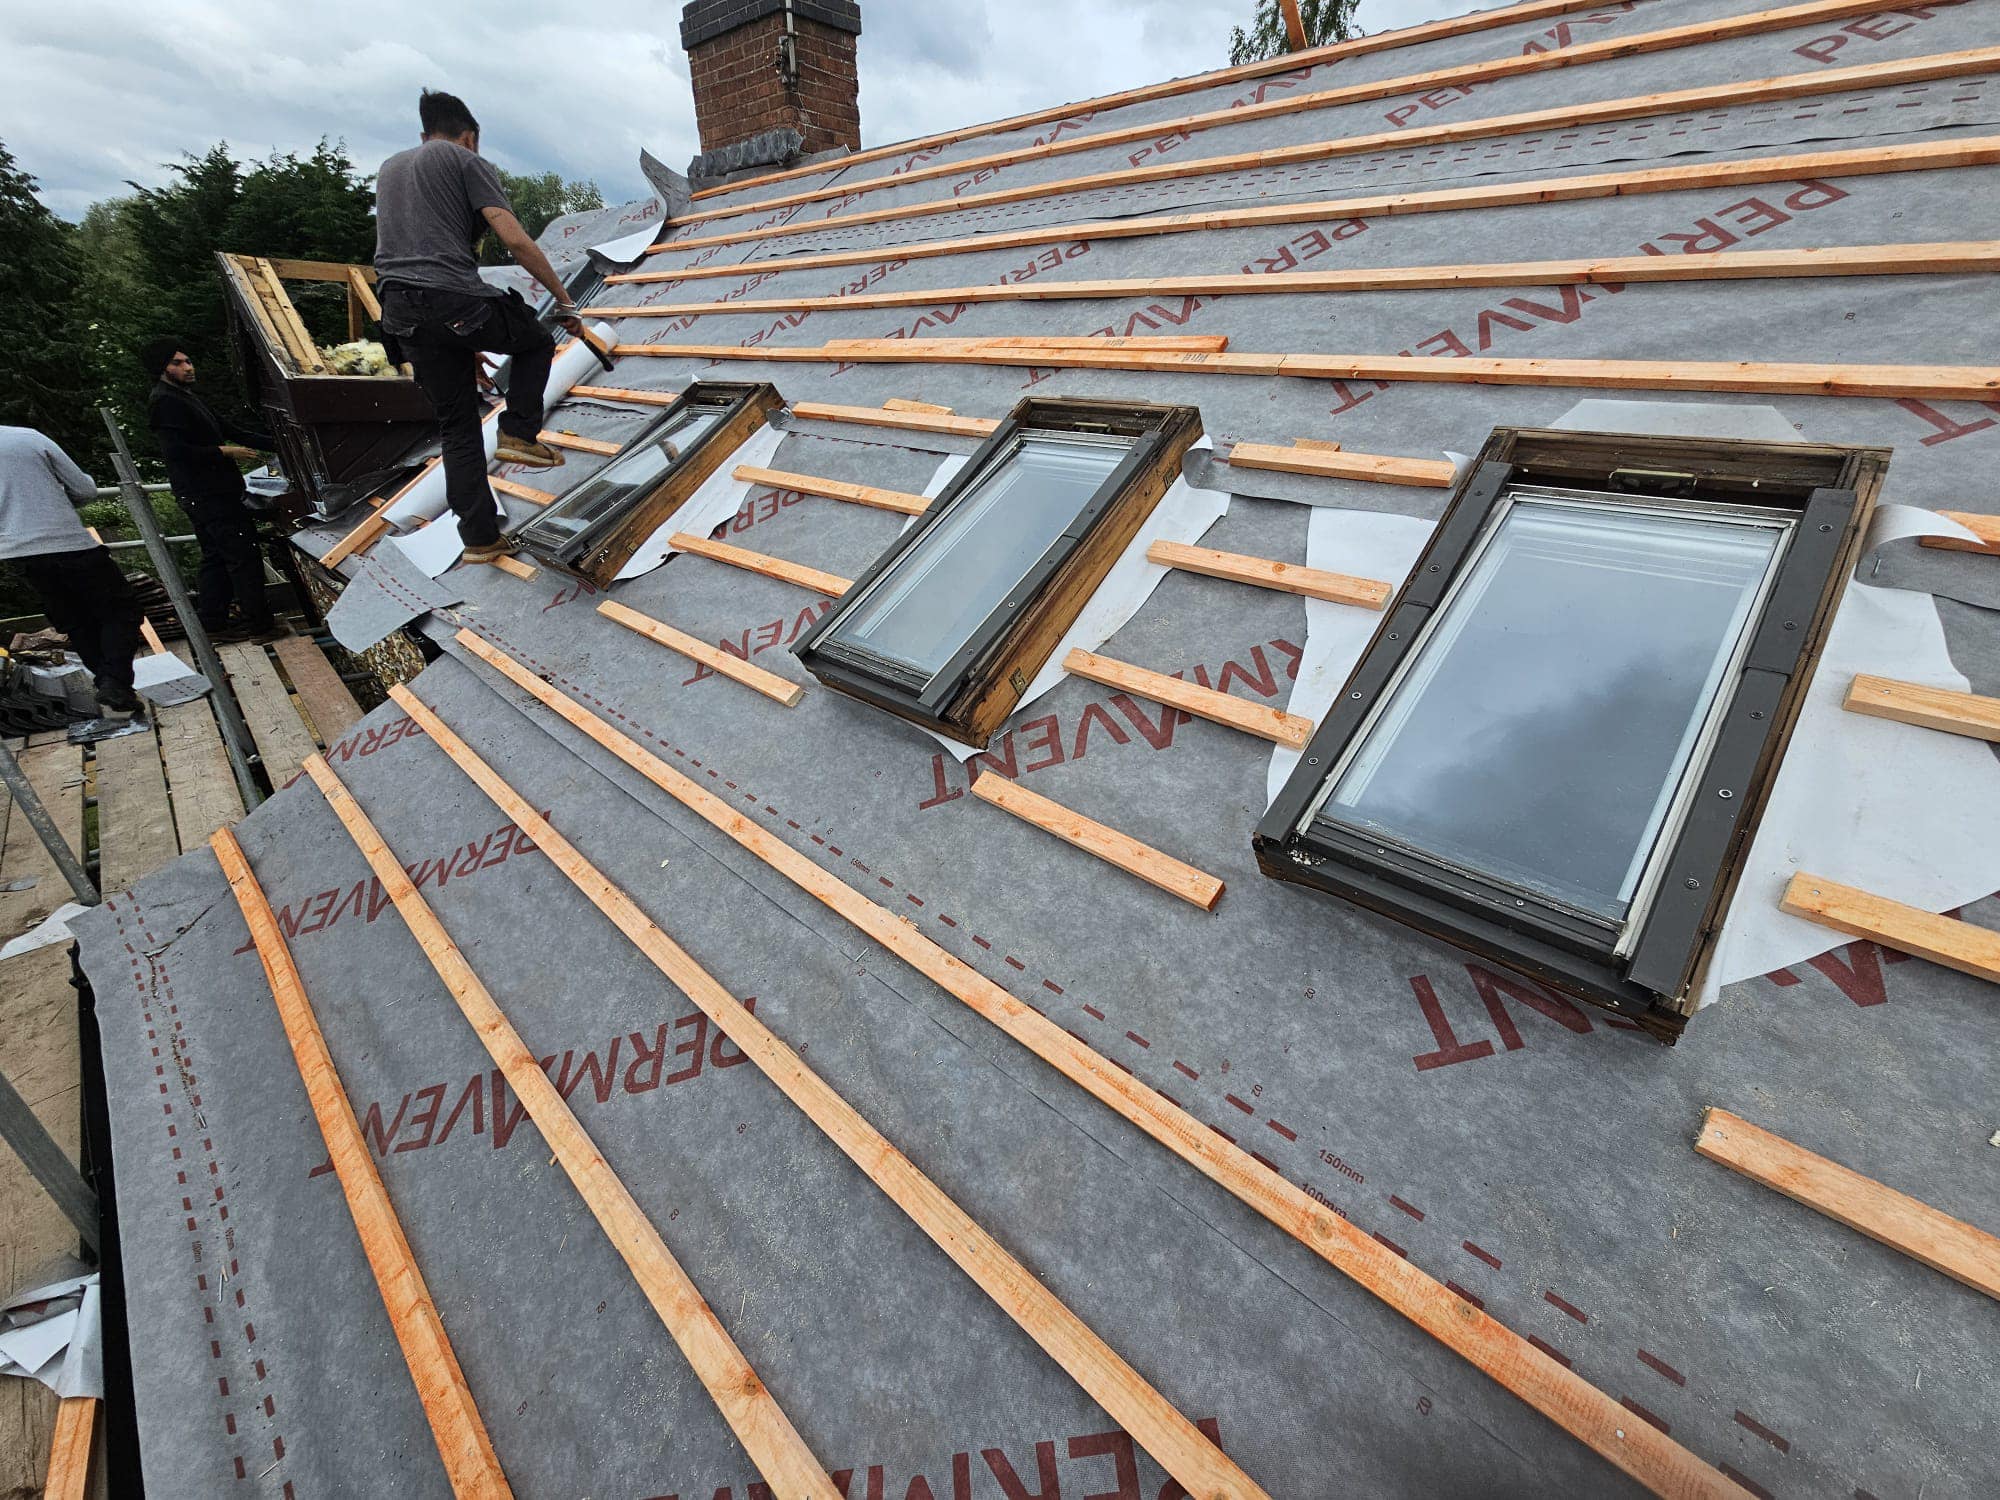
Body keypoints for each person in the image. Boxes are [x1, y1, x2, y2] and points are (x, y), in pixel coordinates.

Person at [374, 88, 584, 564]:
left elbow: (411, 256)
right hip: (449, 296)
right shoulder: (464, 160)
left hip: (400, 312)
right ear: (470, 137)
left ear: (423, 133)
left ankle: (480, 539)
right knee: (533, 338)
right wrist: (566, 300)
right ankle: (518, 432)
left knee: (457, 428)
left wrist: (459, 341)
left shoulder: (390, 169)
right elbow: (515, 238)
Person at [0, 427, 144, 718]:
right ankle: (114, 681)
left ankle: (112, 684)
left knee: (76, 621)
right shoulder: (28, 438)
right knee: (120, 611)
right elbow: (84, 489)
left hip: (19, 552)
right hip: (67, 542)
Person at [143, 340, 282, 641]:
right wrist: (224, 452)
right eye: (177, 363)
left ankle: (214, 623)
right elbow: (176, 451)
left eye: (188, 361)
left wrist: (278, 443)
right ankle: (259, 626)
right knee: (242, 557)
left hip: (209, 492)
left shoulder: (186, 397)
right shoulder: (165, 402)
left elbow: (231, 429)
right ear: (162, 368)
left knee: (217, 558)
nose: (187, 367)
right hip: (208, 494)